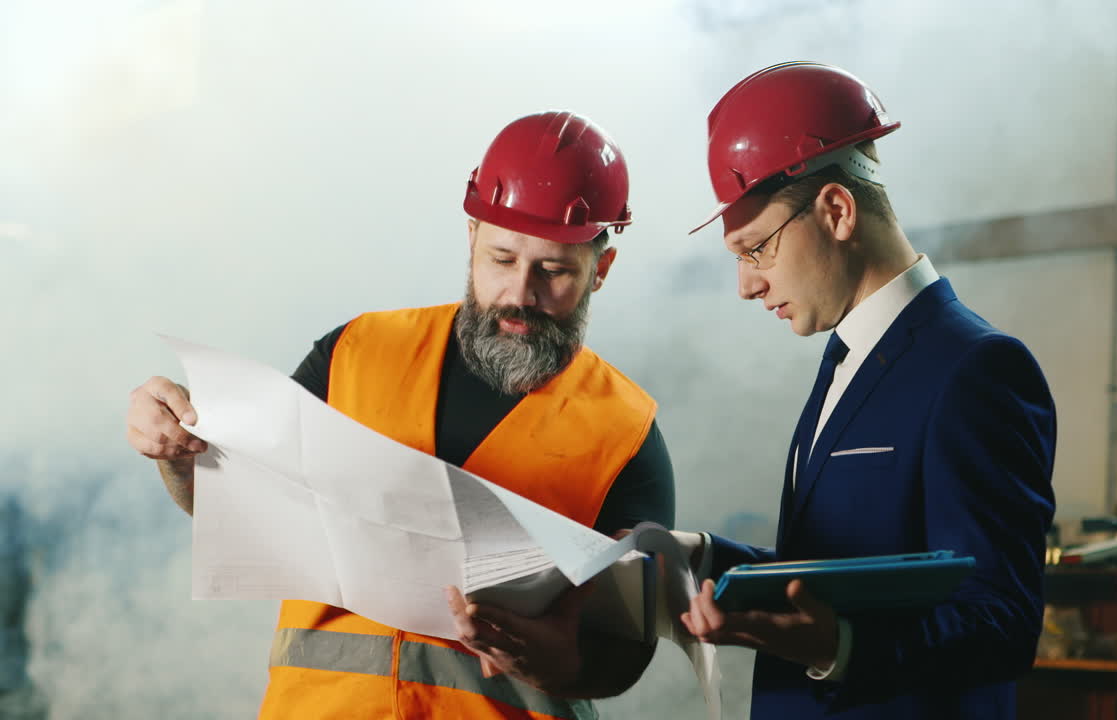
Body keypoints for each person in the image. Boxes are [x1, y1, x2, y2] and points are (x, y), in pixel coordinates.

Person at [125, 110, 674, 720]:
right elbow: (239, 503)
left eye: (553, 271)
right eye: (501, 259)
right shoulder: (356, 353)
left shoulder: (626, 435)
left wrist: (553, 663)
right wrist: (177, 454)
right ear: (471, 238)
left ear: (601, 269)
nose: (521, 293)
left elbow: (624, 654)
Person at [677, 61, 1057, 719]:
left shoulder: (976, 372)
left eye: (757, 249)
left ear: (835, 209)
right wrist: (703, 557)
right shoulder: (846, 357)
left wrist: (842, 648)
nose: (745, 284)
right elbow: (842, 569)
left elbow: (1003, 619)